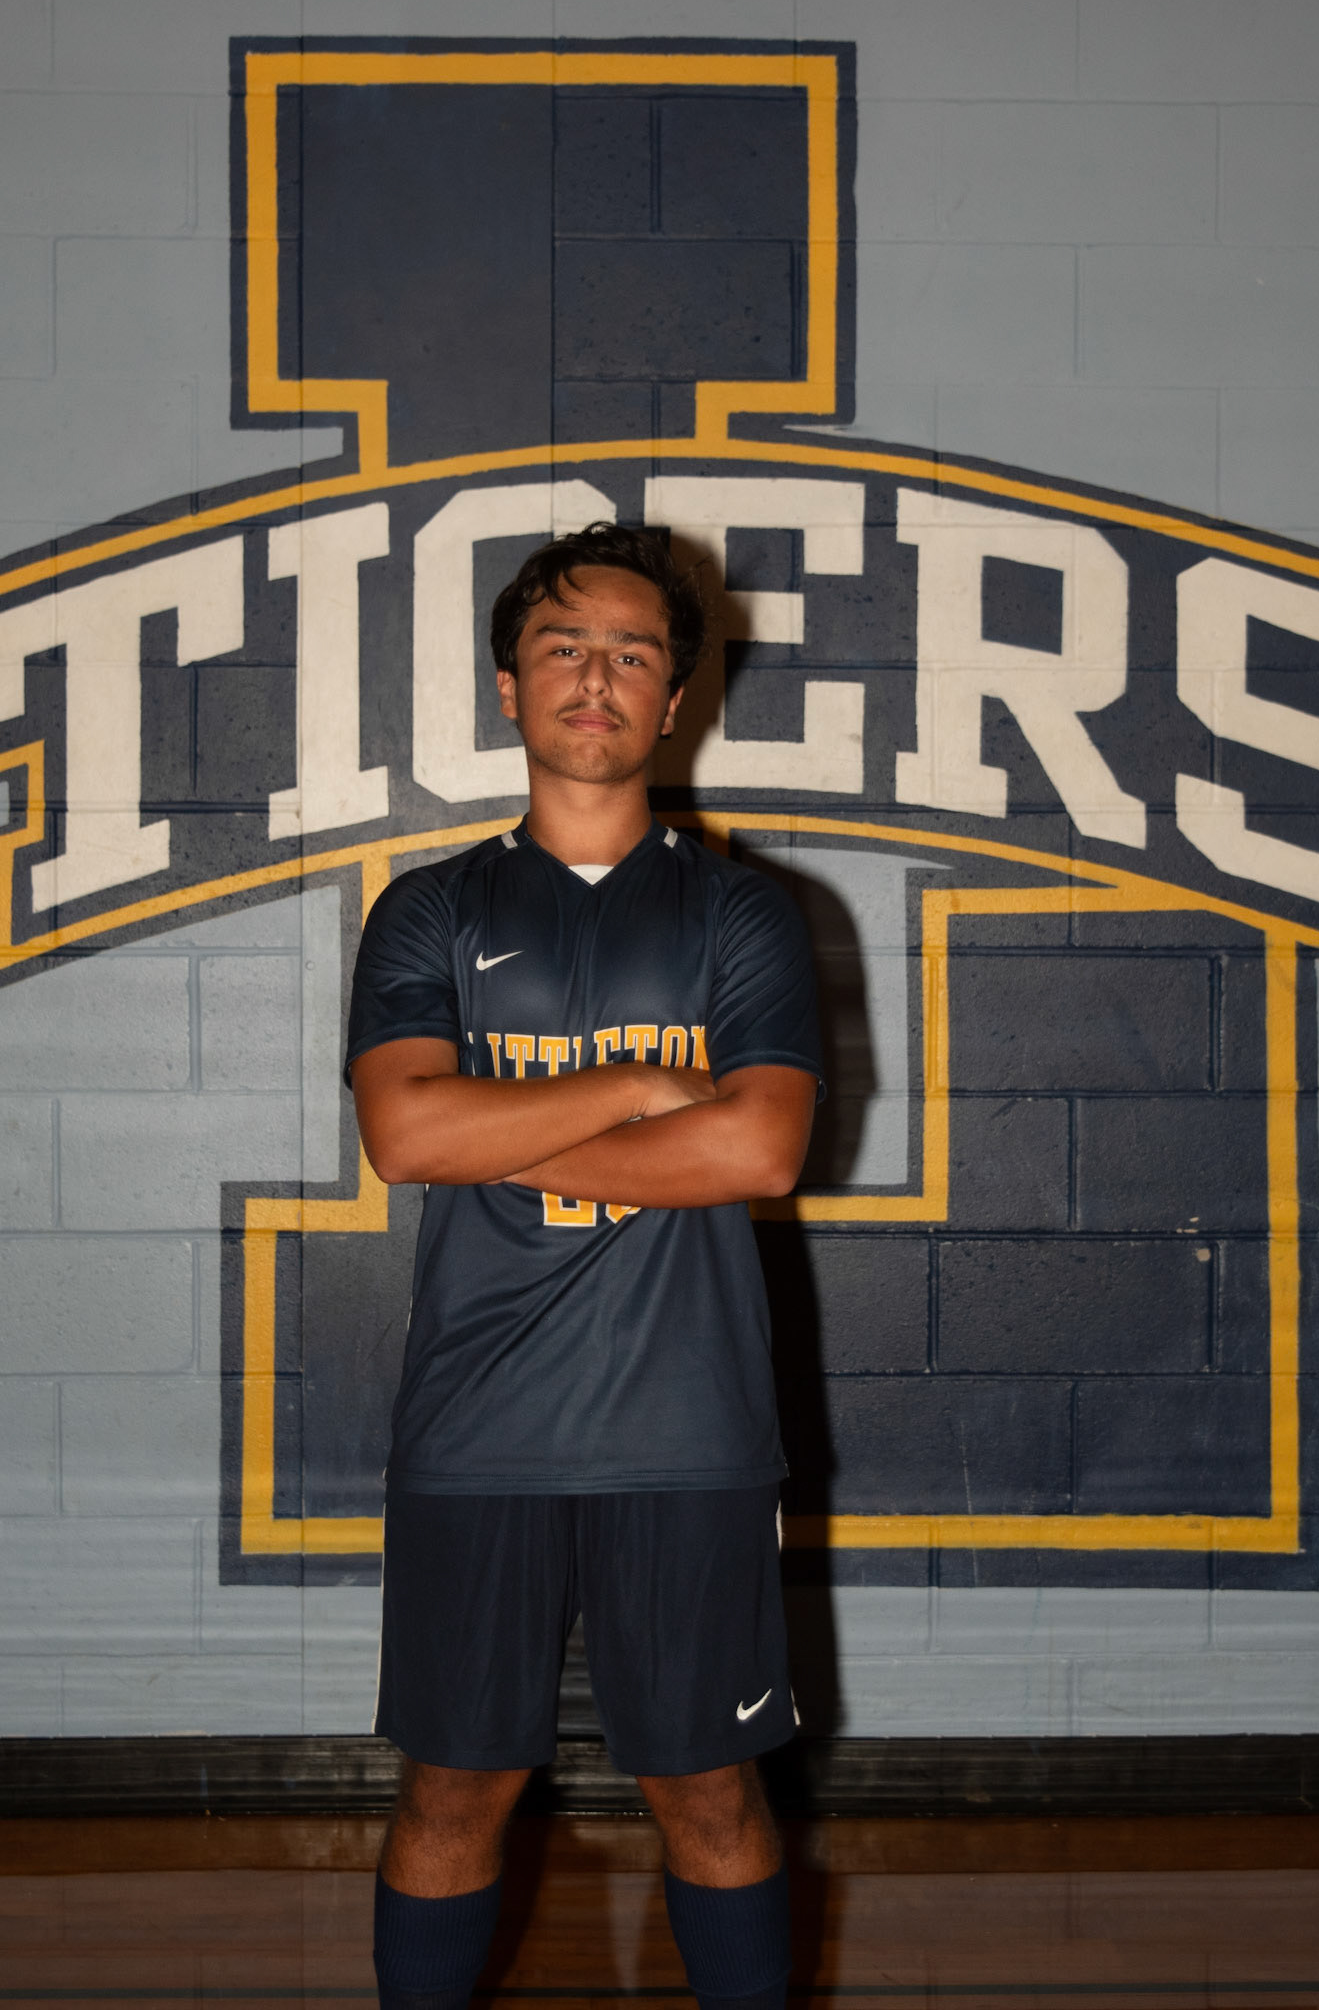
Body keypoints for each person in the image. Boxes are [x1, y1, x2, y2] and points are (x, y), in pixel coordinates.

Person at [346, 521, 822, 2009]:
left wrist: (495, 1131)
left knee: (710, 1793)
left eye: (631, 653)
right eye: (563, 648)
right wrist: (635, 1090)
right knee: (451, 1791)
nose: (595, 677)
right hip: (476, 1426)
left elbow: (758, 1152)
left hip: (686, 1426)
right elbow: (404, 1133)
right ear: (509, 686)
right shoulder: (430, 908)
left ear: (674, 697)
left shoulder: (744, 911)